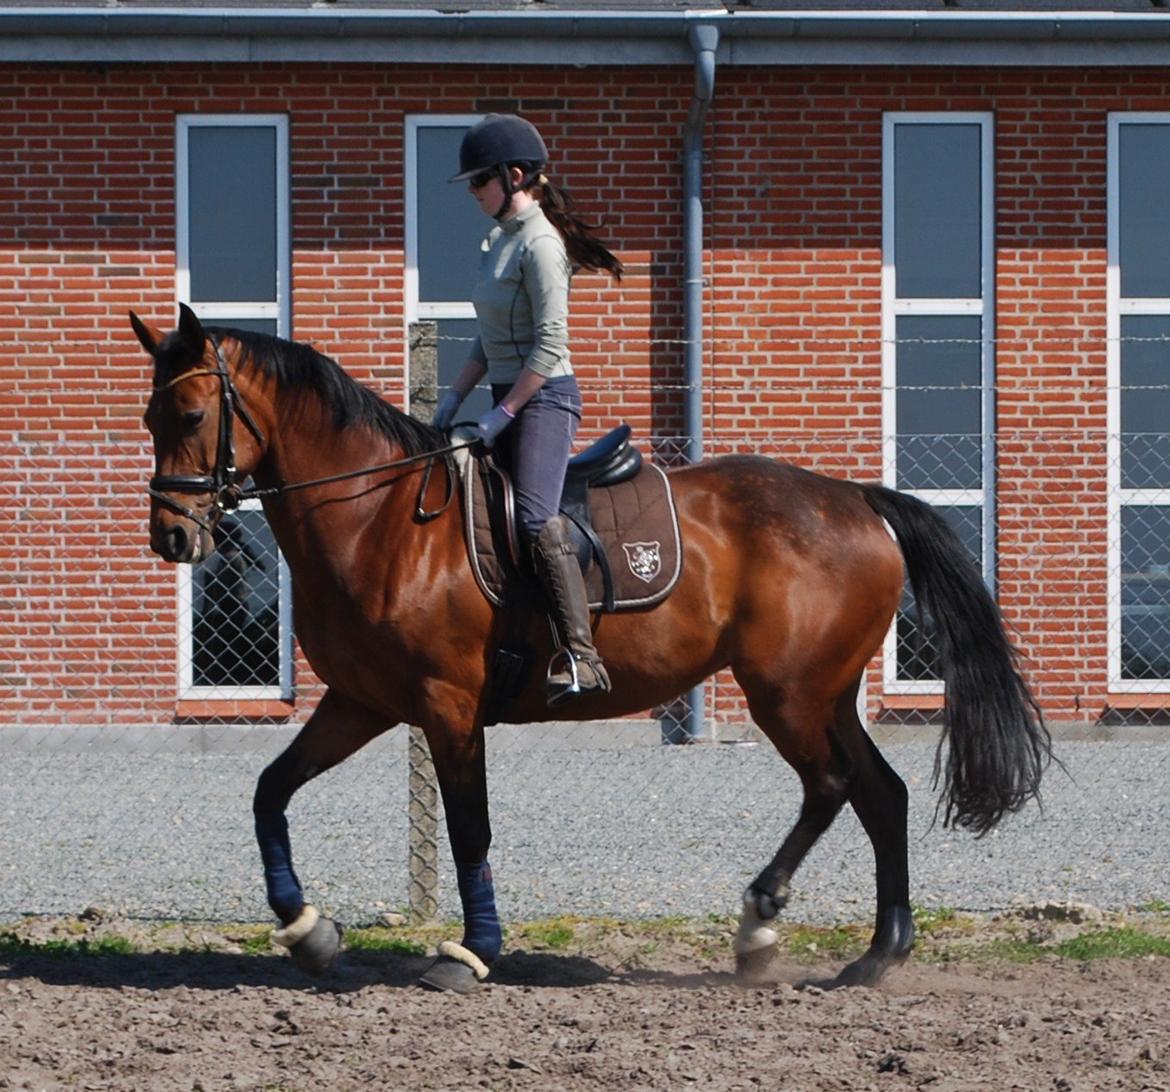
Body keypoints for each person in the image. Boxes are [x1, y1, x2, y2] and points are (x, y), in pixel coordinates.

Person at [433, 114, 624, 705]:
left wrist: (503, 415)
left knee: (537, 519)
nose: (471, 192)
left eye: (478, 181)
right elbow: (489, 339)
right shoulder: (498, 240)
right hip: (506, 398)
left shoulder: (540, 244)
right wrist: (453, 398)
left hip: (544, 400)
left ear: (514, 177)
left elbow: (548, 344)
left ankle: (583, 656)